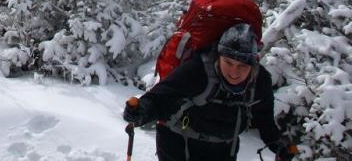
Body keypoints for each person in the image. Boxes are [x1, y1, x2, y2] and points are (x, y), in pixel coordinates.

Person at [123, 24, 297, 161]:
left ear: (253, 64)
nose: (234, 72)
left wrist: (277, 143)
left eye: (243, 66)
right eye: (228, 62)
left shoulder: (259, 81)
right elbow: (162, 96)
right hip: (178, 144)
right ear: (219, 56)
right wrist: (141, 110)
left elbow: (264, 118)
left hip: (223, 149)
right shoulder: (198, 71)